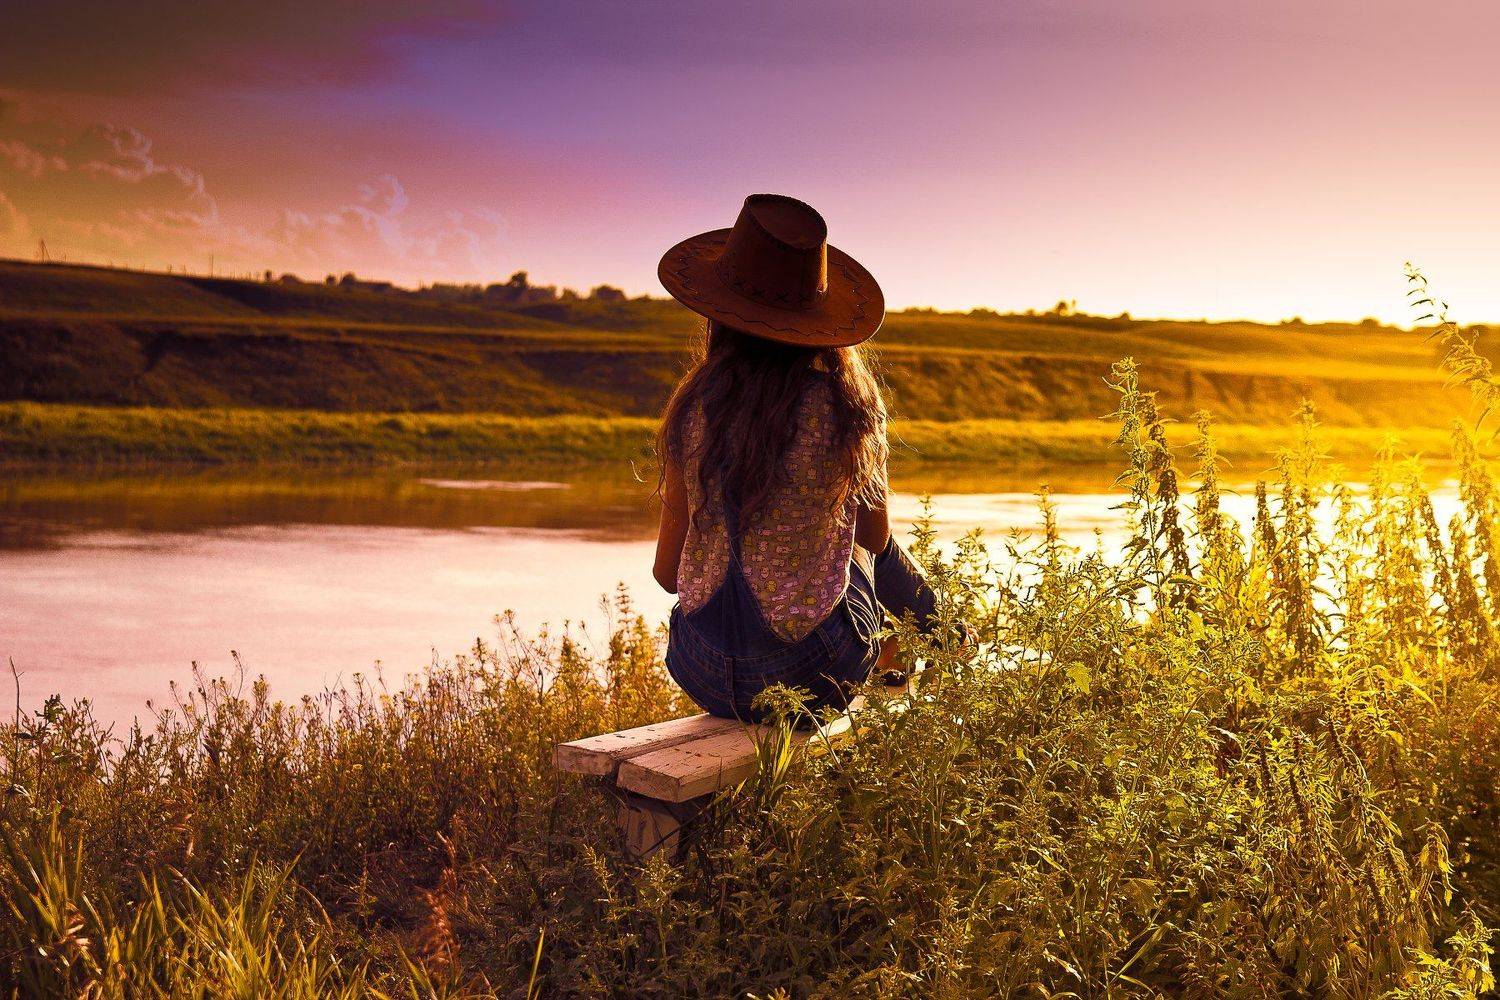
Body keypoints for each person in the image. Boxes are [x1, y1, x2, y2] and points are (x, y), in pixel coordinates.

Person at [652, 193, 942, 722]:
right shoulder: (848, 407)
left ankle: (935, 633)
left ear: (720, 316)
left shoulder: (691, 407)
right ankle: (933, 639)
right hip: (813, 674)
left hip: (702, 671)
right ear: (819, 325)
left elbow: (668, 575)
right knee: (859, 544)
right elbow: (875, 540)